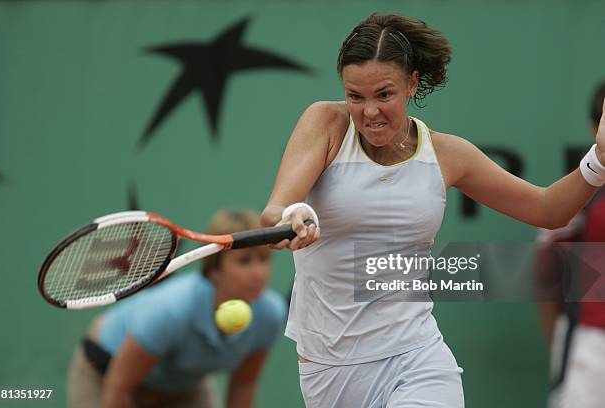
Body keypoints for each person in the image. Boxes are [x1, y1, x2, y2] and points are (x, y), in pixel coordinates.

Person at [260, 13, 605, 408]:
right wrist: (291, 217)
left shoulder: (446, 154)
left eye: (383, 95)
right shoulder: (325, 122)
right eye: (355, 96)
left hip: (416, 355)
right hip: (329, 367)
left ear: (411, 84)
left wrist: (599, 159)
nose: (369, 111)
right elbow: (276, 210)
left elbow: (548, 209)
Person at [67, 210, 288, 408]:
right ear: (215, 270)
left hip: (182, 387)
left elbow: (244, 384)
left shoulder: (270, 314)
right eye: (244, 261)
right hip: (106, 373)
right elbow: (119, 387)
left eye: (264, 258)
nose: (258, 272)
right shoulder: (171, 311)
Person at [535, 81, 605, 408]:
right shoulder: (581, 196)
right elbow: (546, 276)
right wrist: (560, 348)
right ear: (596, 128)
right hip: (591, 346)